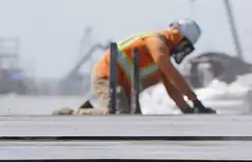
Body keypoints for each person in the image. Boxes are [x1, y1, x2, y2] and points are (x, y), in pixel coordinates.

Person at [55, 19, 216, 115]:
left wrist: (188, 110)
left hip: (124, 87)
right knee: (119, 115)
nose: (183, 51)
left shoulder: (163, 53)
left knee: (135, 119)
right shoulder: (156, 42)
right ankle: (72, 114)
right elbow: (172, 74)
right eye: (185, 45)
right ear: (179, 37)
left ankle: (88, 110)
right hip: (106, 77)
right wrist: (195, 100)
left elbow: (172, 88)